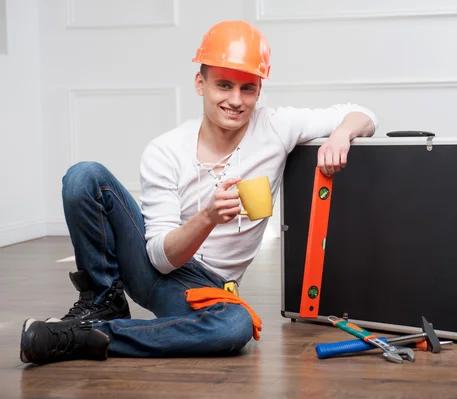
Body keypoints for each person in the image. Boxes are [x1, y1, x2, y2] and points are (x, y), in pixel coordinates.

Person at [19, 20, 377, 365]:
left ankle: (90, 335)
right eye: (224, 85)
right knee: (85, 176)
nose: (236, 100)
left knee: (234, 326)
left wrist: (340, 135)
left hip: (207, 290)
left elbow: (362, 114)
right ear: (200, 83)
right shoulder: (166, 150)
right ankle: (102, 301)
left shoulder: (274, 127)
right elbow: (159, 258)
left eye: (247, 88)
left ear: (258, 91)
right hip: (154, 268)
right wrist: (207, 217)